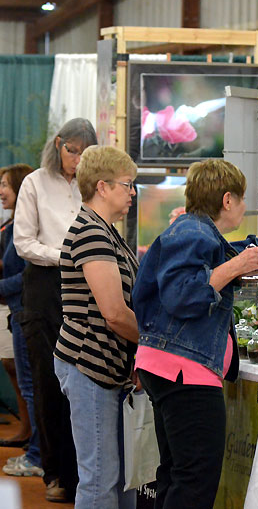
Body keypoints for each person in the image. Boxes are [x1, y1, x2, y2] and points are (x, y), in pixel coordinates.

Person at [132, 158, 258, 508]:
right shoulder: (192, 232)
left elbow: (221, 255)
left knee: (176, 471)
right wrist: (234, 267)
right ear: (227, 200)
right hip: (186, 371)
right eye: (242, 200)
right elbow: (182, 294)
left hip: (172, 367)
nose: (244, 208)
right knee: (196, 478)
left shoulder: (196, 232)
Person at [13, 117, 97, 502]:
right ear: (58, 144)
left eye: (83, 152)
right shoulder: (34, 183)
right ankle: (55, 473)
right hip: (45, 287)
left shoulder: (94, 186)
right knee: (48, 383)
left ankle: (86, 475)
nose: (76, 159)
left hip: (88, 284)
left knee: (85, 380)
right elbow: (23, 243)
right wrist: (66, 256)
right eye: (71, 150)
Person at [54, 145, 139, 509]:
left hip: (106, 365)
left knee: (122, 480)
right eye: (127, 184)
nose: (132, 192)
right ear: (102, 187)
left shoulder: (104, 230)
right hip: (90, 363)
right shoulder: (91, 232)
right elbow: (114, 313)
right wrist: (154, 343)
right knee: (100, 480)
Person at [0, 163, 44, 478]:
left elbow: (25, 276)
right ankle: (36, 450)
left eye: (4, 184)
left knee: (33, 385)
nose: (1, 191)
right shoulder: (14, 223)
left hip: (25, 310)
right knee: (30, 384)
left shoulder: (23, 226)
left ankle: (38, 455)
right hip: (19, 310)